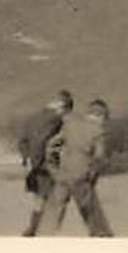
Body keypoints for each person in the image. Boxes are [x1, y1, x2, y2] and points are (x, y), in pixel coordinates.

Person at [42, 98, 114, 237]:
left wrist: (53, 167)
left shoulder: (71, 125)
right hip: (81, 175)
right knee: (92, 212)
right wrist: (92, 174)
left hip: (63, 173)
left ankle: (43, 238)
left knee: (54, 213)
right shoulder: (98, 132)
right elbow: (99, 157)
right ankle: (102, 238)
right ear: (101, 116)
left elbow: (52, 145)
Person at [17, 89, 73, 237]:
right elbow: (44, 143)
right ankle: (41, 231)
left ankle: (33, 230)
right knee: (56, 199)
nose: (65, 116)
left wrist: (27, 160)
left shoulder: (33, 117)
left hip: (31, 164)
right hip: (44, 166)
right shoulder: (55, 120)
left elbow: (23, 141)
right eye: (66, 112)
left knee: (39, 199)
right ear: (62, 107)